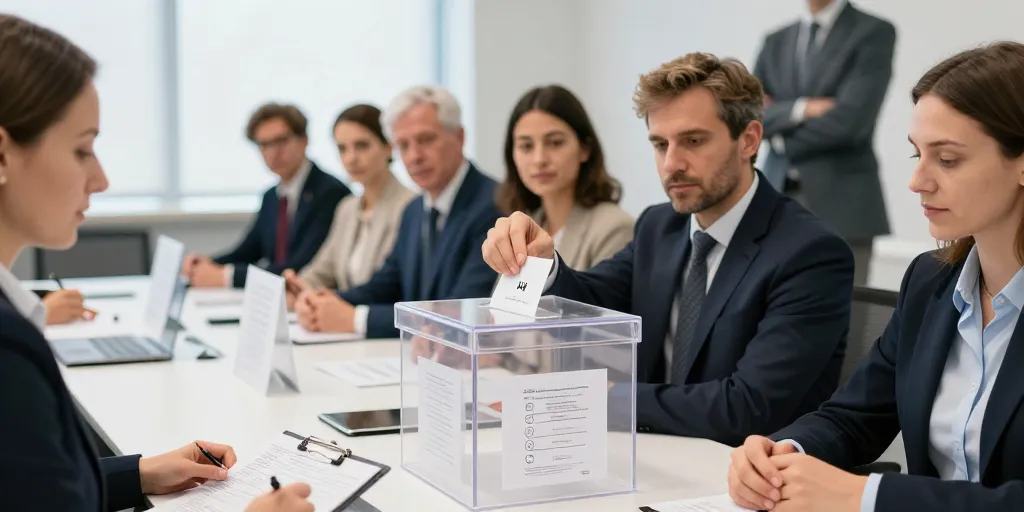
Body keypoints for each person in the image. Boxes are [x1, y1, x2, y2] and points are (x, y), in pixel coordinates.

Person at [0, 14, 312, 511]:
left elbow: (32, 487)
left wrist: (140, 472)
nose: (101, 179)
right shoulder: (8, 345)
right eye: (82, 149)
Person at [481, 52, 854, 446]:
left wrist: (605, 399)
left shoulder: (809, 253)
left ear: (748, 140)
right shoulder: (659, 227)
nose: (672, 163)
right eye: (660, 144)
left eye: (693, 141)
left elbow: (748, 407)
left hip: (746, 468)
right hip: (655, 452)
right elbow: (592, 299)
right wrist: (543, 264)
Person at [729, 41, 1024, 512]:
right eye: (916, 155)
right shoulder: (929, 283)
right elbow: (853, 417)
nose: (917, 181)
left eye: (947, 159)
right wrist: (782, 454)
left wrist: (867, 494)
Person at [295, 86, 501, 339]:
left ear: (459, 137)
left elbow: (461, 311)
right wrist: (322, 302)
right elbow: (386, 284)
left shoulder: (494, 204)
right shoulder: (414, 210)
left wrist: (356, 319)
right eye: (403, 145)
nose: (414, 156)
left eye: (426, 140)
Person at [753, 0, 895, 285]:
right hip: (774, 200)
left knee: (847, 308)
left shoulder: (873, 32)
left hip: (843, 205)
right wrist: (802, 108)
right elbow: (750, 114)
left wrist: (780, 137)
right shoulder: (775, 40)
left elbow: (850, 123)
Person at [183, 103, 351, 289]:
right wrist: (206, 264)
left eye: (281, 141)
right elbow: (248, 250)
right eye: (264, 145)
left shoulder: (330, 192)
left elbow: (301, 266)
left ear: (304, 140)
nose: (273, 152)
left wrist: (226, 277)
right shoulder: (272, 197)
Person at [282, 104, 415, 310]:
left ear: (389, 146)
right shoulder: (347, 208)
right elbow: (323, 268)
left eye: (362, 146)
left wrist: (325, 298)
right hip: (340, 318)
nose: (351, 158)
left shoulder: (410, 206)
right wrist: (298, 287)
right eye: (342, 149)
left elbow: (388, 287)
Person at [495, 85, 633, 270]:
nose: (539, 159)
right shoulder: (523, 229)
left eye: (555, 143)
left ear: (585, 149)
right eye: (526, 146)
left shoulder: (614, 228)